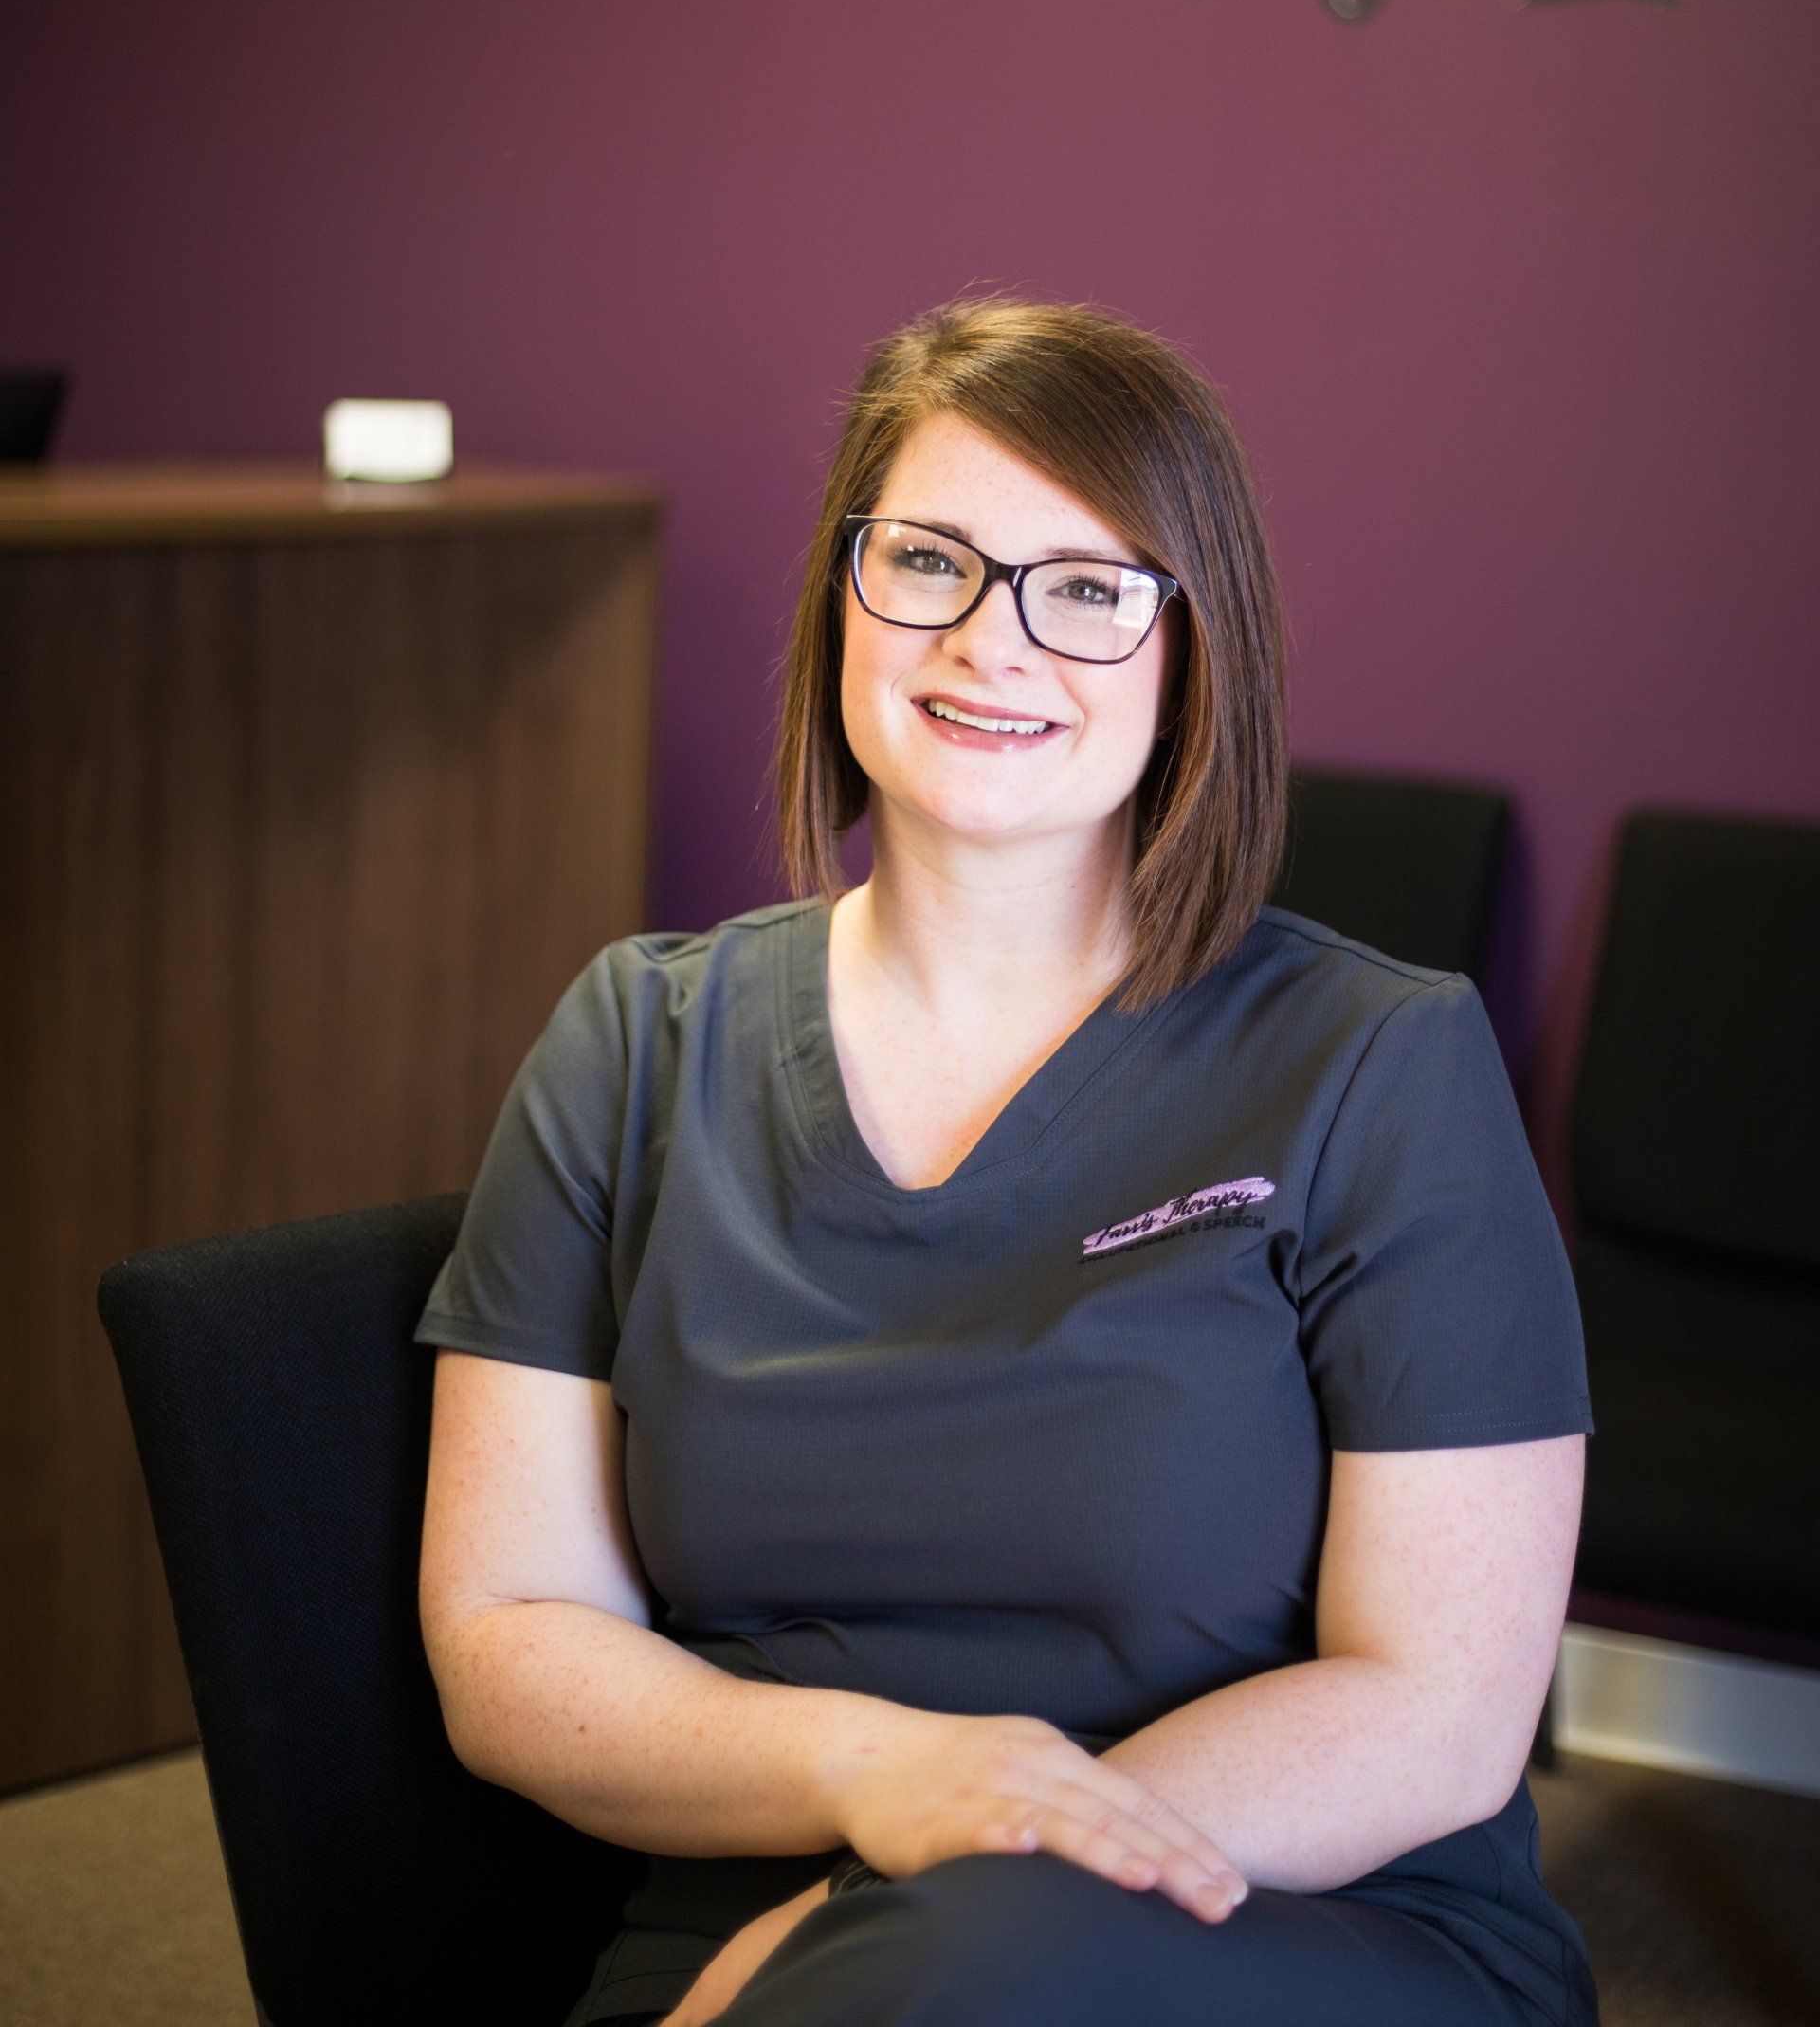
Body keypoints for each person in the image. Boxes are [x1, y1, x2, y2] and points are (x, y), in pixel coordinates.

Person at [413, 296, 1598, 2027]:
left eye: (1091, 587)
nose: (993, 639)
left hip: (1291, 1909)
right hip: (749, 1927)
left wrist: (918, 1909)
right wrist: (870, 1795)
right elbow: (512, 1639)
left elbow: (1439, 1705)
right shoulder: (634, 1042)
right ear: (842, 592)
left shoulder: (1379, 1061)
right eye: (930, 562)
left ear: (1200, 654)